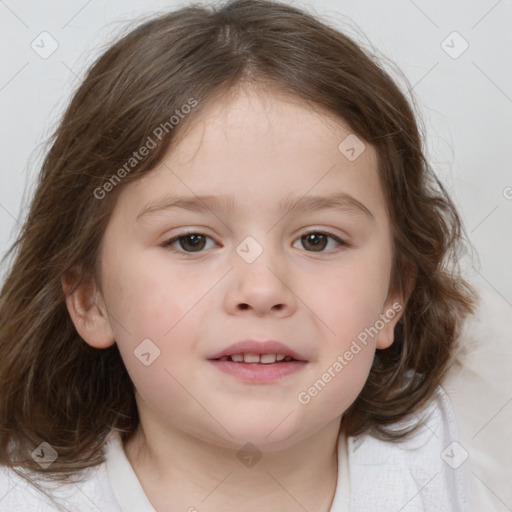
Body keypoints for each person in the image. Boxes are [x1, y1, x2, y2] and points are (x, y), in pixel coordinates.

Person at [0, 0, 481, 510]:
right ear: (91, 299)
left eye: (317, 240)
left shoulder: (446, 450)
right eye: (191, 241)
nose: (262, 290)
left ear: (392, 296)